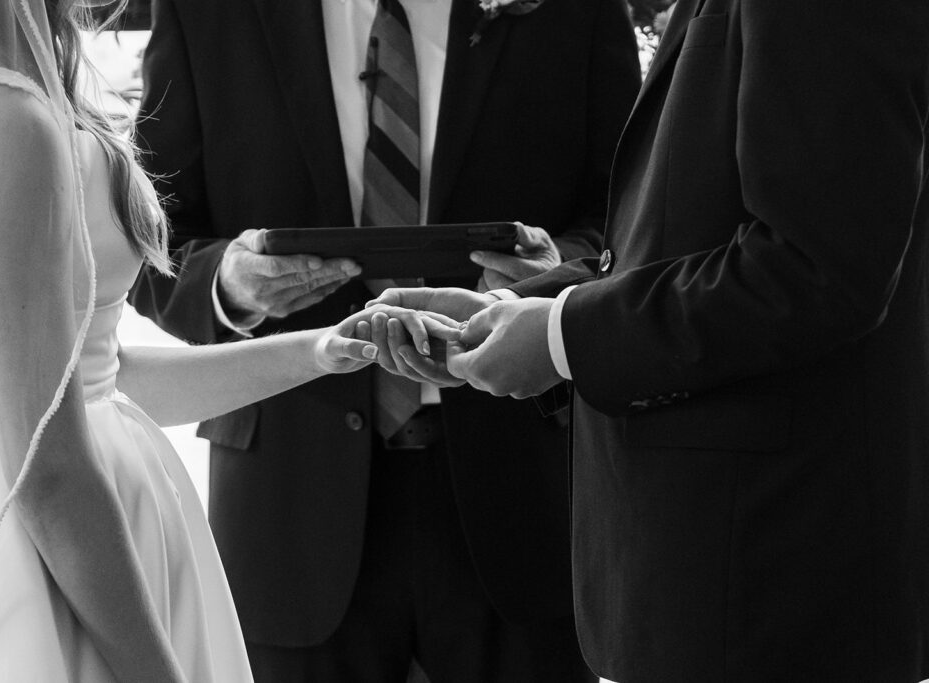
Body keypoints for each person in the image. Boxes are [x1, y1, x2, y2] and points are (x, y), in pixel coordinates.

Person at [373, 0, 929, 680]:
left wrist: (562, 338)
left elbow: (816, 268)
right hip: (704, 579)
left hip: (773, 578)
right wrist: (517, 308)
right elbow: (681, 236)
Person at [0, 0, 440, 679]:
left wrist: (321, 350)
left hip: (68, 520)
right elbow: (49, 470)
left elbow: (101, 381)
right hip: (18, 552)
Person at [129, 0, 640, 680]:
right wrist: (226, 281)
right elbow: (144, 234)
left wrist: (556, 278)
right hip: (288, 500)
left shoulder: (574, 11)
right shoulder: (210, 13)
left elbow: (634, 210)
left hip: (522, 491)